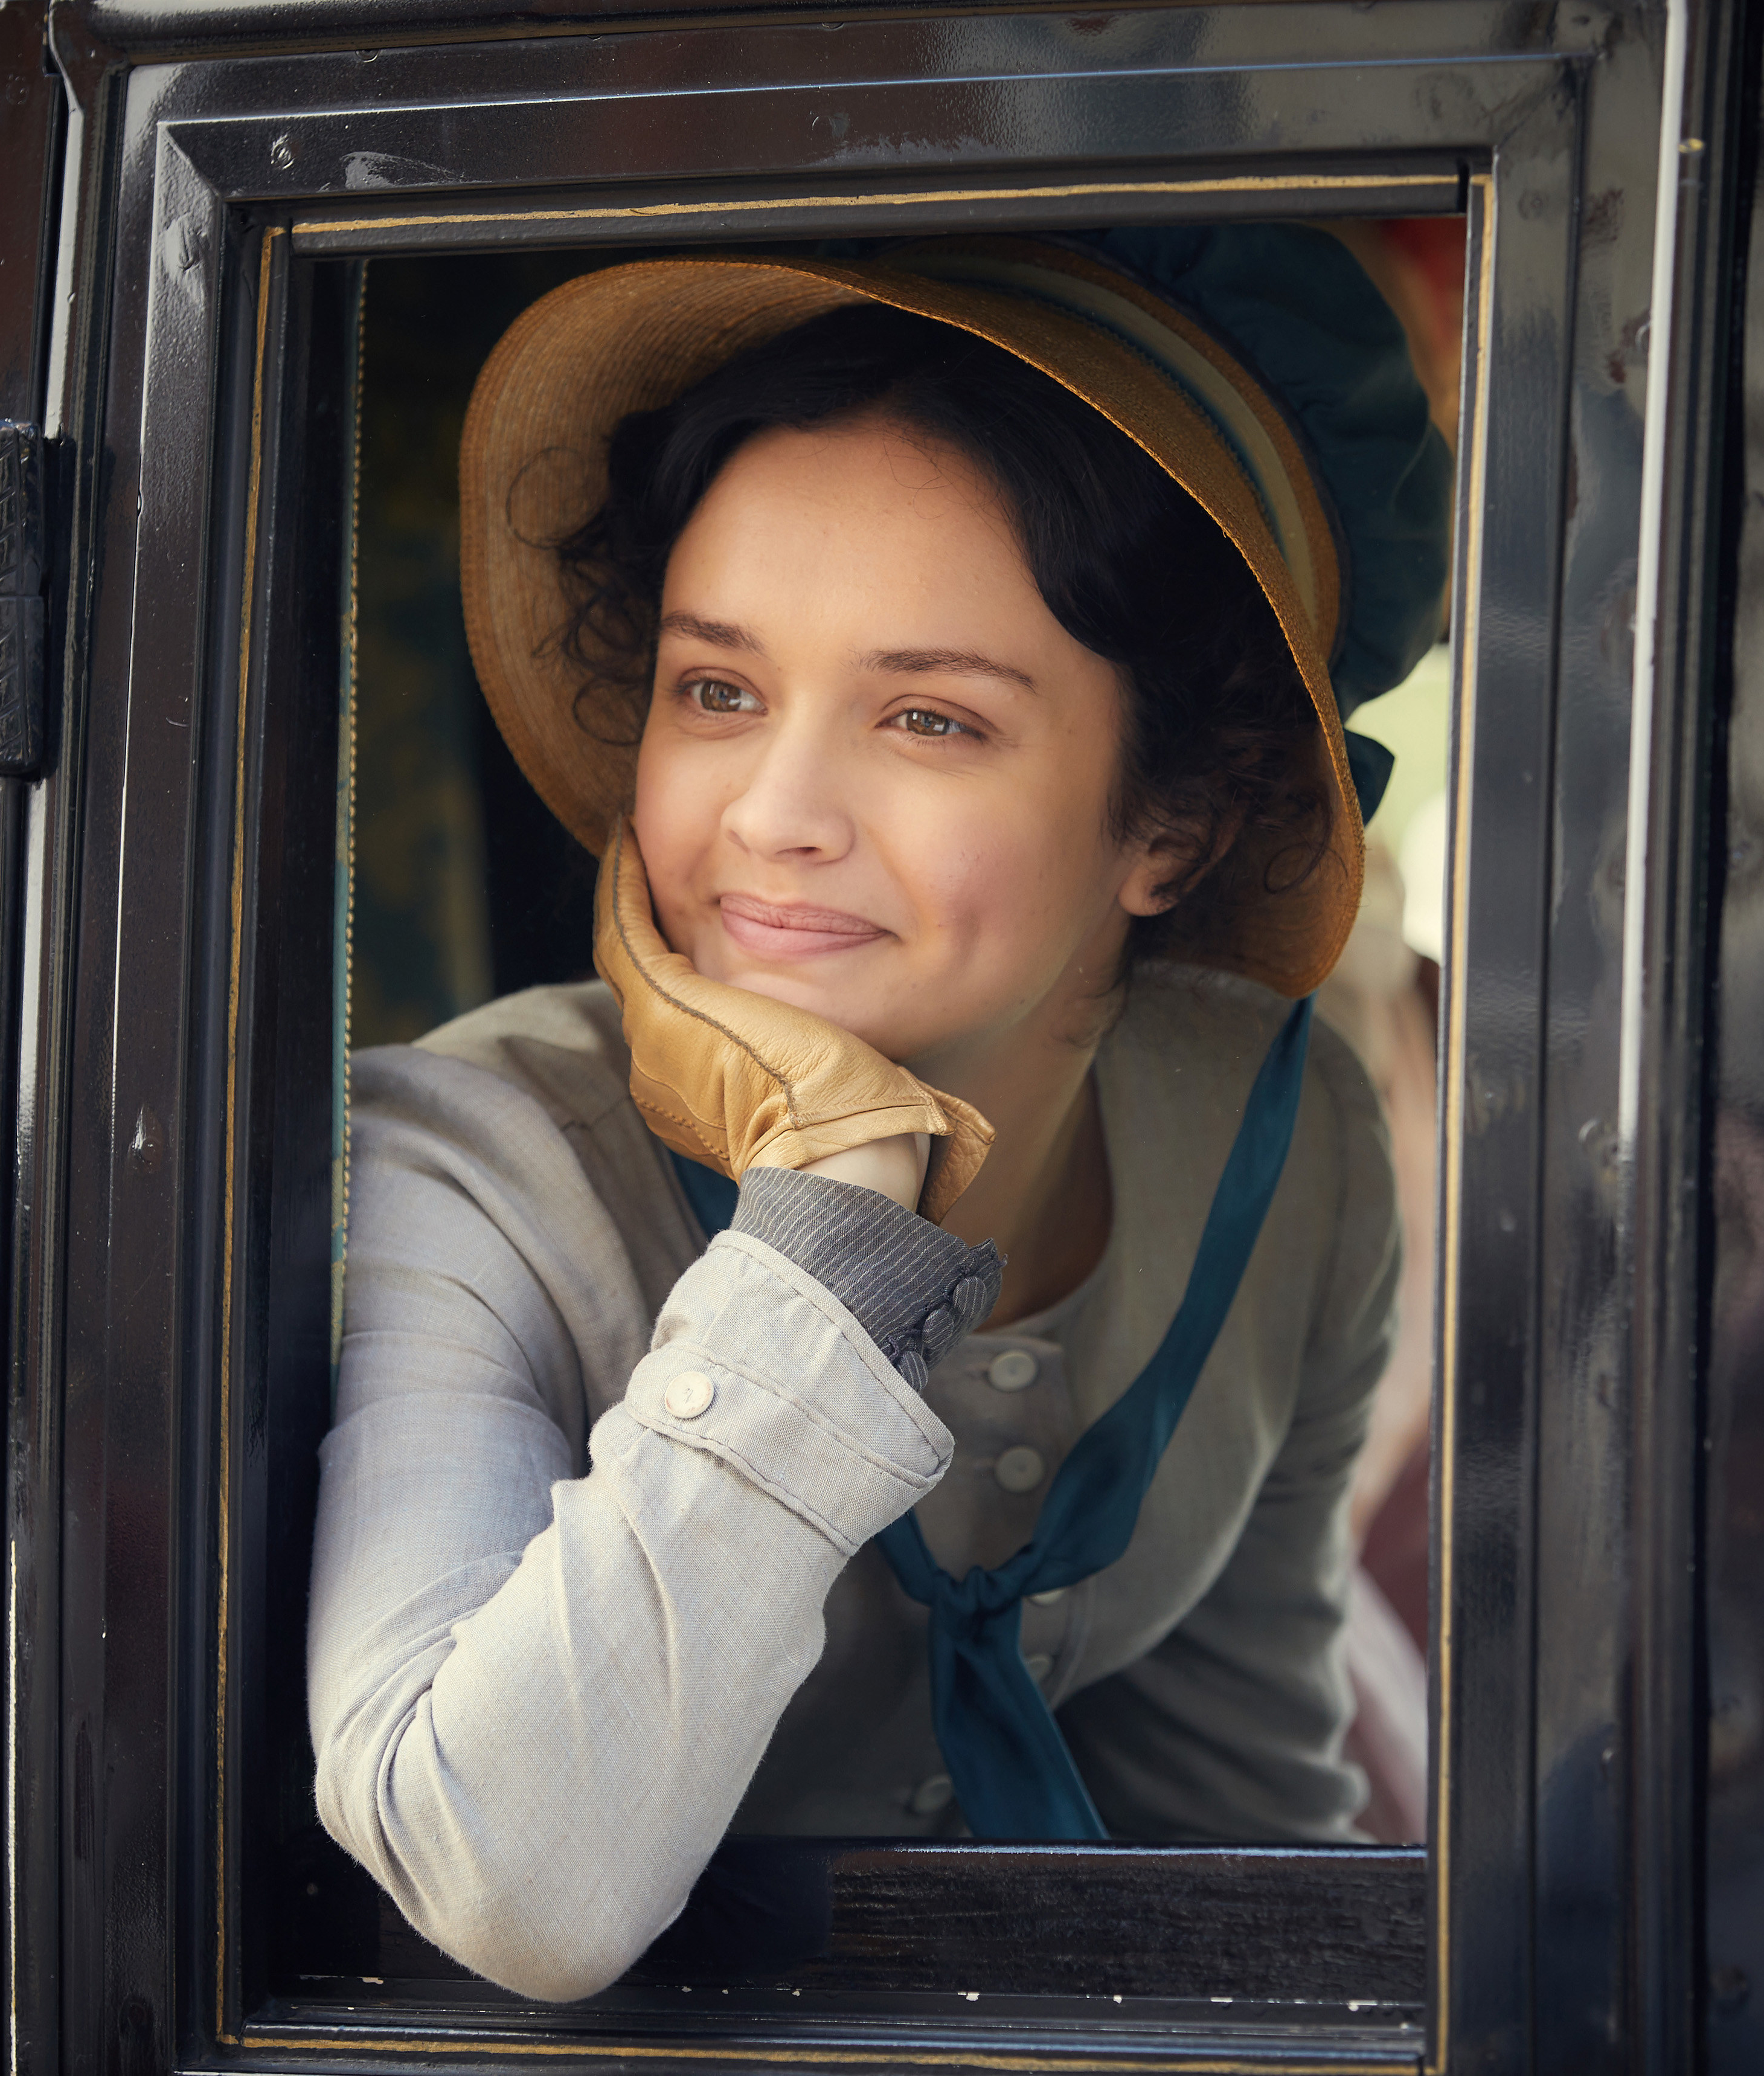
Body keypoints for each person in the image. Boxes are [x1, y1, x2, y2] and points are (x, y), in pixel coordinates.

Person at [306, 227, 1452, 2002]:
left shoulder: (1282, 1152)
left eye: (927, 717)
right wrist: (834, 1223)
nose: (773, 811)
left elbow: (1231, 1807)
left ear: (1174, 824)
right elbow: (511, 1877)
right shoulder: (464, 1161)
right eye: (719, 692)